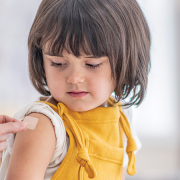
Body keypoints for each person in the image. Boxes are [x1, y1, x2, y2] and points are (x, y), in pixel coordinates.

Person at [0, 0, 151, 179]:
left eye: (92, 64)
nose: (74, 78)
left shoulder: (123, 116)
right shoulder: (44, 125)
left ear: (126, 61)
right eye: (58, 63)